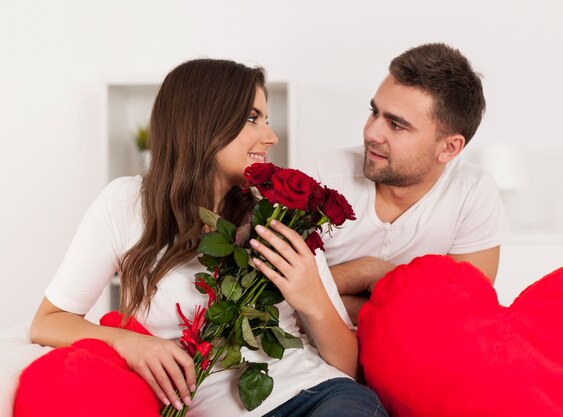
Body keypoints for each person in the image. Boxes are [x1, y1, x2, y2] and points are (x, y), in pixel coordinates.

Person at [29, 59, 387, 417]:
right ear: (204, 121)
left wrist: (312, 299)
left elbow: (348, 368)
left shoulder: (277, 215)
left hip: (320, 395)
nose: (271, 136)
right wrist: (131, 344)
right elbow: (49, 320)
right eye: (252, 118)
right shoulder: (125, 204)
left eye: (267, 119)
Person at [307, 43, 510, 325]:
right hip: (316, 358)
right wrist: (366, 274)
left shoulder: (472, 191)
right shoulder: (321, 178)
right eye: (374, 112)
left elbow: (464, 317)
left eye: (396, 125)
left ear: (449, 148)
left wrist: (372, 275)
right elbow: (277, 299)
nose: (371, 132)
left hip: (416, 358)